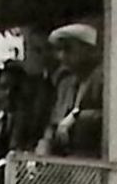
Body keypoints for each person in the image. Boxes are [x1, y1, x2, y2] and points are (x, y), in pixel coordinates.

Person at [40, 23, 104, 159]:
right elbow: (54, 122)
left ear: (88, 50)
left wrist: (77, 116)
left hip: (93, 160)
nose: (61, 56)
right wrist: (44, 146)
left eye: (68, 49)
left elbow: (113, 118)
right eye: (59, 50)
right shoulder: (65, 84)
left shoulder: (104, 79)